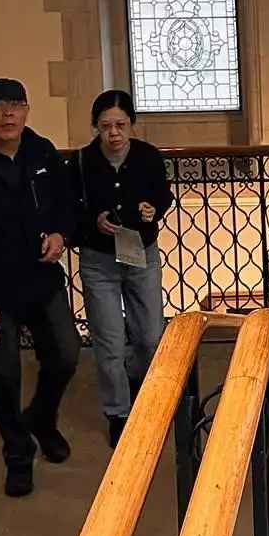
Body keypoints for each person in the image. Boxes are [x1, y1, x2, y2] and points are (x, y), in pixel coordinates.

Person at [0, 78, 81, 498]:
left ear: (27, 110)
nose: (7, 113)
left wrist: (62, 235)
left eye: (15, 104)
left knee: (66, 354)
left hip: (43, 282)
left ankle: (42, 418)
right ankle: (18, 453)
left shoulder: (43, 153)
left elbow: (67, 206)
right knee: (2, 376)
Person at [72, 90, 174, 449]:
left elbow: (164, 195)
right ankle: (118, 412)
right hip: (99, 259)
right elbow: (71, 207)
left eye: (120, 125)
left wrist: (153, 209)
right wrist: (94, 221)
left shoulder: (147, 156)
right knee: (109, 339)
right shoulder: (82, 161)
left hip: (140, 254)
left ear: (131, 123)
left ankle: (137, 378)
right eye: (105, 126)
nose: (113, 133)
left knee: (150, 336)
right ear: (95, 127)